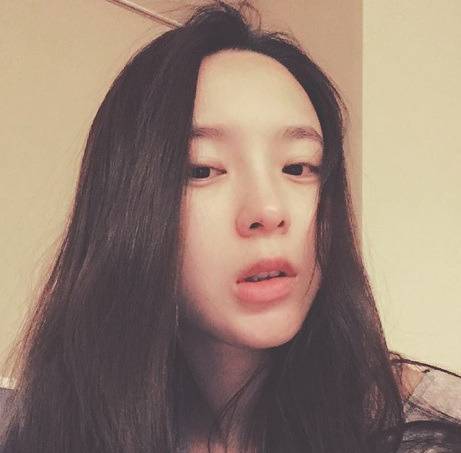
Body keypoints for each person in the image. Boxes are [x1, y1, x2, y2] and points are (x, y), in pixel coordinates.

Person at [1, 1, 460, 452]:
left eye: (298, 167)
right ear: (125, 207)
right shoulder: (46, 430)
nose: (268, 209)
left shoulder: (424, 428)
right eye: (202, 170)